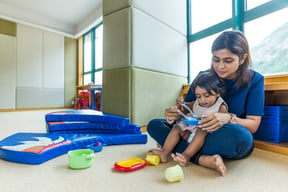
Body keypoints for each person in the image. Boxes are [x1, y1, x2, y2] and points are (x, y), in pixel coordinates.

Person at [147, 30, 264, 176]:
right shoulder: (203, 77)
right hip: (192, 129)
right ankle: (201, 158)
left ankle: (177, 150)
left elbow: (253, 125)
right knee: (154, 125)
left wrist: (228, 118)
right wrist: (175, 114)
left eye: (228, 61)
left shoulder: (255, 80)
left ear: (242, 58)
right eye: (216, 60)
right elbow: (187, 112)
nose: (220, 66)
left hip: (221, 133)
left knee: (242, 139)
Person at [148, 72, 228, 167]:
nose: (202, 100)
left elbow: (223, 125)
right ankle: (164, 152)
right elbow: (185, 108)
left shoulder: (220, 106)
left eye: (207, 96)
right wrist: (180, 105)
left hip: (204, 136)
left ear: (218, 92)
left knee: (201, 130)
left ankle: (186, 155)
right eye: (198, 96)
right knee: (177, 128)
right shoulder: (196, 103)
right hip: (188, 133)